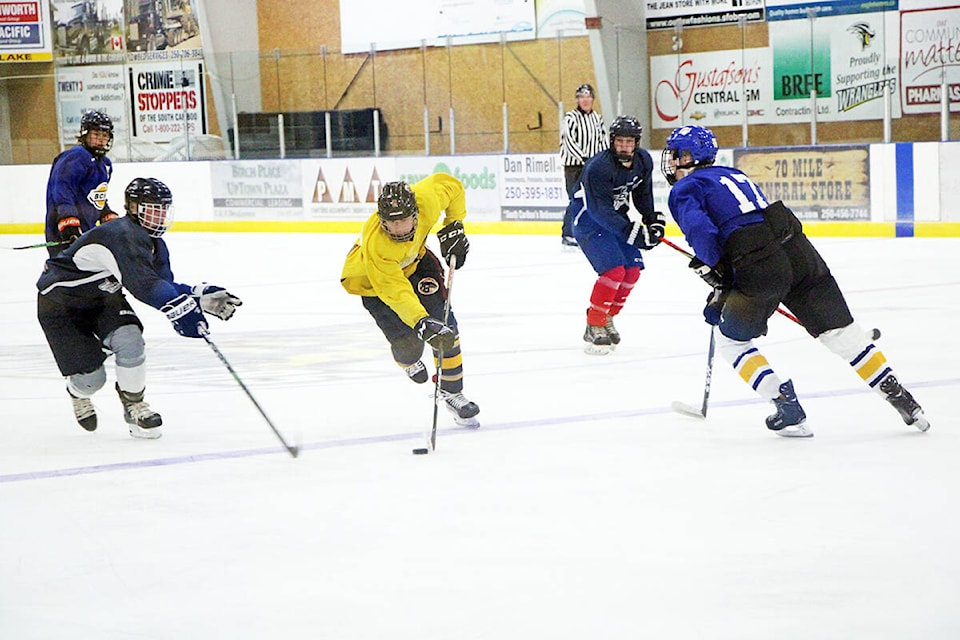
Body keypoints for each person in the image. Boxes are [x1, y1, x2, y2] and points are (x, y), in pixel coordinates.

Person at [661, 124, 930, 437]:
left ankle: (785, 404)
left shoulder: (684, 188)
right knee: (841, 333)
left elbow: (703, 233)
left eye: (678, 153)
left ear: (691, 156)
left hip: (759, 262)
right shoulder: (733, 174)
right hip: (795, 249)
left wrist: (721, 277)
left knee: (731, 339)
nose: (673, 160)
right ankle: (901, 398)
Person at [36, 177, 243, 439]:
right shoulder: (120, 234)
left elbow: (162, 284)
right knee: (92, 380)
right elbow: (143, 285)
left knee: (131, 340)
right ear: (133, 207)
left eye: (163, 210)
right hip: (61, 306)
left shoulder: (155, 243)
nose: (160, 216)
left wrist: (197, 295)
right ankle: (77, 393)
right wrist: (178, 309)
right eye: (153, 209)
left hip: (103, 298)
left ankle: (134, 406)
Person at [340, 175, 479, 427]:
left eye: (404, 220)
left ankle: (451, 391)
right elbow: (396, 292)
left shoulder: (426, 199)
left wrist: (453, 224)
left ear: (416, 213)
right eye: (391, 224)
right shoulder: (377, 247)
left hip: (416, 262)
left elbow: (453, 186)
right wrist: (421, 321)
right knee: (410, 343)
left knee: (446, 327)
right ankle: (407, 360)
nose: (399, 229)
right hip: (375, 286)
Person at [570, 115, 665, 355]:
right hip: (589, 221)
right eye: (620, 141)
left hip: (615, 220)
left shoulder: (643, 161)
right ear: (612, 142)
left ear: (636, 143)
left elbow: (642, 194)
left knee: (632, 271)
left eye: (629, 142)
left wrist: (651, 219)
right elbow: (598, 210)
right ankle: (594, 323)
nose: (624, 146)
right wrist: (630, 231)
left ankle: (607, 317)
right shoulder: (598, 167)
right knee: (614, 271)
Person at [44, 109, 118, 257]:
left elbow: (95, 196)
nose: (101, 140)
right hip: (65, 232)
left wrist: (106, 213)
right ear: (85, 134)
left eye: (104, 135)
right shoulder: (76, 157)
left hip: (88, 232)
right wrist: (67, 222)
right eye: (96, 134)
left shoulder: (105, 164)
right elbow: (62, 191)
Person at [559, 83, 607, 248]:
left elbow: (602, 140)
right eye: (581, 97)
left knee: (593, 200)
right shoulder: (570, 117)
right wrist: (584, 158)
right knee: (575, 199)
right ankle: (568, 233)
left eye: (588, 96)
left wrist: (602, 160)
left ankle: (589, 231)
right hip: (575, 167)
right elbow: (568, 141)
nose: (585, 100)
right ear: (577, 100)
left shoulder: (597, 118)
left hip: (592, 166)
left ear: (593, 99)